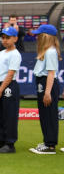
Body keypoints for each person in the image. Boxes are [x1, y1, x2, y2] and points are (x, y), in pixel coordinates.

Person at [0, 27, 21, 154]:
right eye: (3, 38)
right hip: (0, 85)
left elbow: (10, 74)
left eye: (8, 37)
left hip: (9, 86)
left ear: (15, 38)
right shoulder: (1, 53)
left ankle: (10, 144)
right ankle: (1, 141)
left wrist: (0, 90)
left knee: (10, 116)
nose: (5, 40)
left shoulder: (15, 54)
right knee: (0, 116)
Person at [30, 24, 60, 154]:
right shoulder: (47, 51)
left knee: (49, 114)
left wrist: (47, 92)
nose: (37, 37)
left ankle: (50, 144)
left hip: (48, 85)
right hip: (43, 84)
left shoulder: (51, 51)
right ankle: (48, 141)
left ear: (45, 37)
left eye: (39, 35)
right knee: (44, 114)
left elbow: (51, 73)